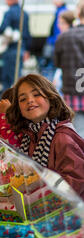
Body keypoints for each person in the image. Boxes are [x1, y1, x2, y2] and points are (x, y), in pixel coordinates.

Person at [6, 74, 84, 199]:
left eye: (36, 94)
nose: (30, 100)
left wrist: (38, 195)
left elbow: (76, 182)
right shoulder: (30, 135)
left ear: (51, 97)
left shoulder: (62, 138)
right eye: (22, 99)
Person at [54, 1, 84, 138]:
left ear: (77, 14)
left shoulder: (63, 37)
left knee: (76, 128)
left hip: (72, 86)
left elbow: (57, 63)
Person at [0, 0, 31, 98]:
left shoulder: (9, 13)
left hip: (11, 49)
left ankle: (7, 100)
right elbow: (27, 33)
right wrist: (27, 50)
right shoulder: (25, 14)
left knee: (7, 77)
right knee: (16, 77)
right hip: (21, 49)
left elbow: (2, 29)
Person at [40, 1, 67, 80]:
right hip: (54, 44)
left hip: (54, 45)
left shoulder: (61, 12)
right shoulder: (60, 11)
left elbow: (58, 32)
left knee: (50, 70)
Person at [52, 10, 74, 95]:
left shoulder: (63, 38)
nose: (58, 25)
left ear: (67, 23)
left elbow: (59, 63)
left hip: (68, 78)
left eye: (61, 23)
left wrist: (57, 77)